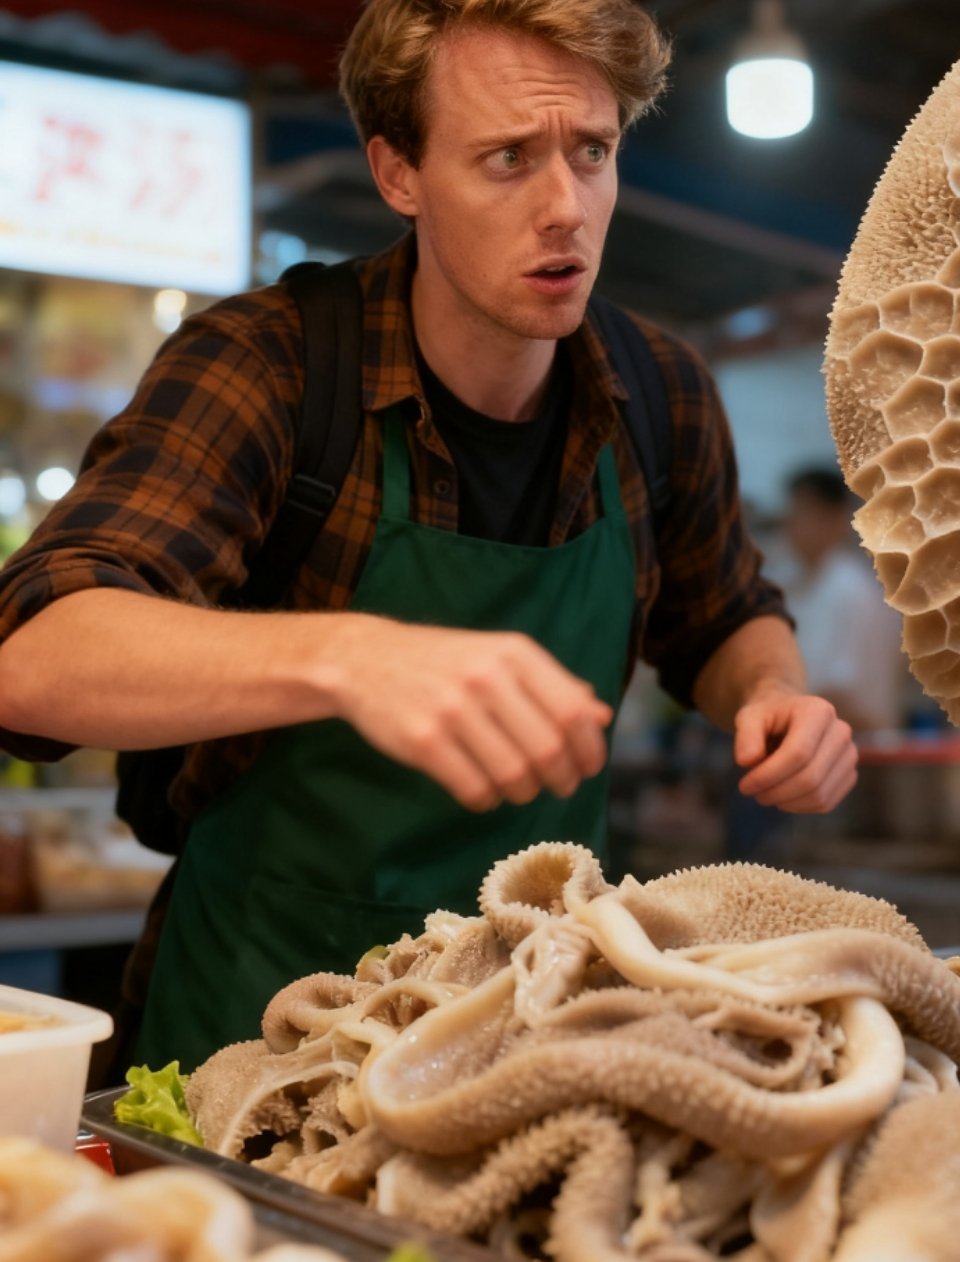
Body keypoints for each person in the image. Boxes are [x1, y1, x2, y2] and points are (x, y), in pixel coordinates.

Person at [0, 0, 857, 1074]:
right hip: (254, 1034)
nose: (565, 208)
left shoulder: (657, 392)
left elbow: (722, 612)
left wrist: (770, 694)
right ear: (397, 172)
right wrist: (346, 655)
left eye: (590, 152)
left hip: (526, 1033)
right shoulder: (269, 366)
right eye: (506, 159)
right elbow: (34, 657)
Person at [778, 466, 907, 733]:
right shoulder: (794, 582)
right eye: (791, 511)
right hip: (808, 733)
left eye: (805, 511)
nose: (792, 522)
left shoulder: (853, 590)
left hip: (858, 745)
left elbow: (844, 695)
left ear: (837, 518)